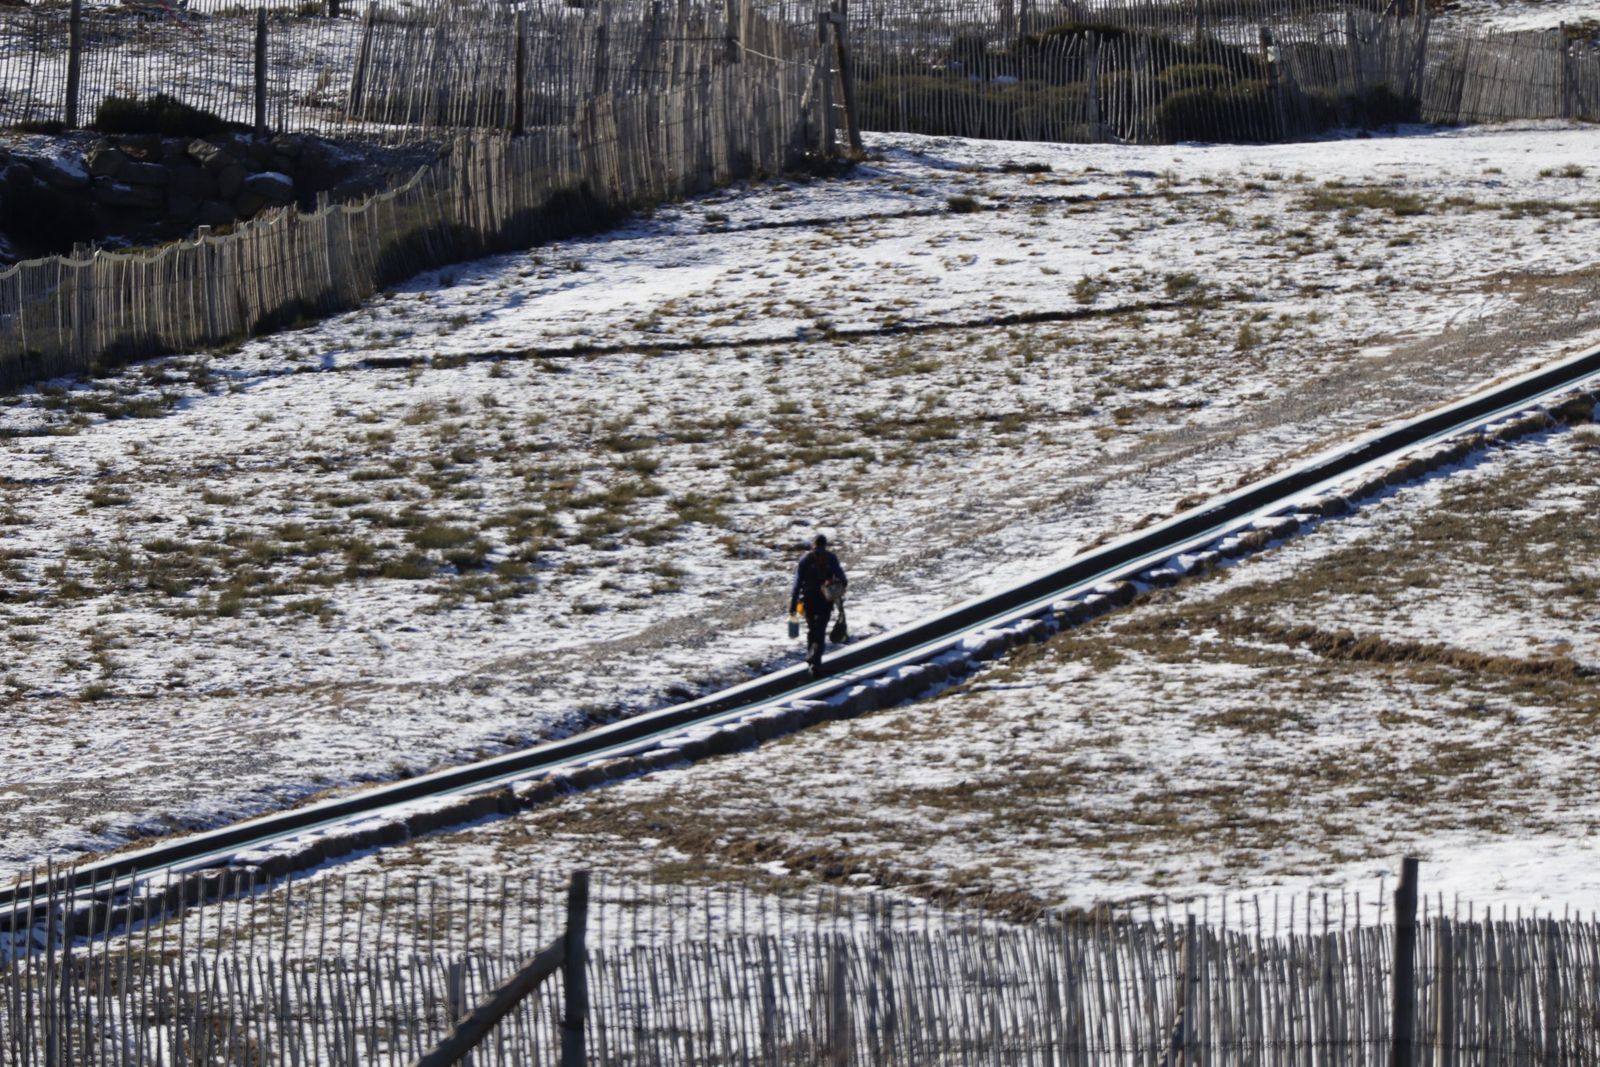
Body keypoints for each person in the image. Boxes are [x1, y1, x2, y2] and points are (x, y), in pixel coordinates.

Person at [789, 533, 847, 676]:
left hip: (808, 601)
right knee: (820, 630)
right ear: (825, 545)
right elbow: (843, 580)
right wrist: (836, 590)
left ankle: (811, 660)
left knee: (812, 629)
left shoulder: (805, 560)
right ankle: (815, 662)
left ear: (812, 545)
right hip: (825, 600)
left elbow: (797, 584)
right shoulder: (831, 558)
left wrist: (793, 605)